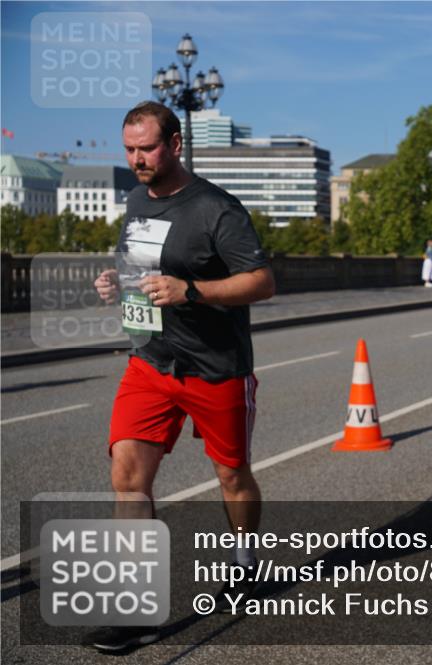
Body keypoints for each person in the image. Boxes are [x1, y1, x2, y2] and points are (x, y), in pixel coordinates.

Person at [88, 101, 275, 652]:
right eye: (130, 149)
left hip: (216, 369)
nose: (138, 159)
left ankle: (245, 562)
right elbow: (138, 265)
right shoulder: (135, 198)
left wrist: (191, 290)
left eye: (147, 148)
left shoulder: (217, 209)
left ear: (174, 144)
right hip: (150, 361)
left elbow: (262, 282)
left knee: (232, 475)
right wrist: (114, 282)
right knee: (128, 478)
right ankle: (135, 608)